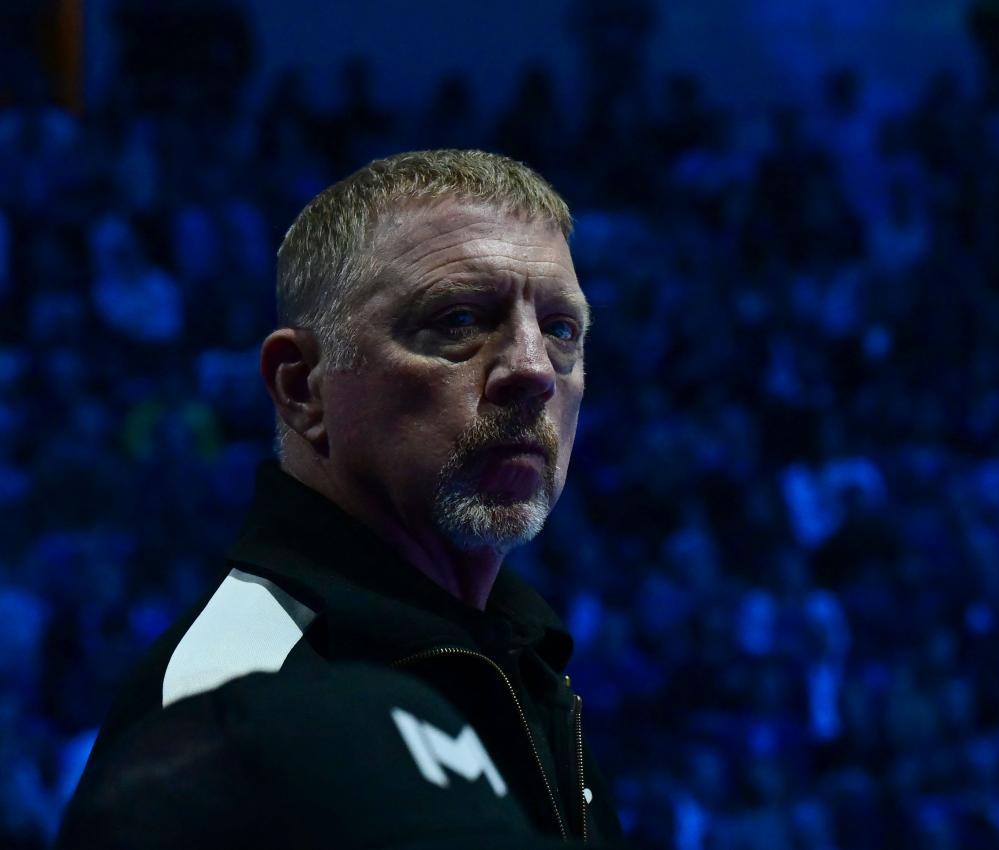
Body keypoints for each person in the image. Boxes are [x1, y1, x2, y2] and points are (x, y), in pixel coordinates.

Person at [58, 150, 623, 847]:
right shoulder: (227, 702)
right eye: (458, 319)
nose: (534, 368)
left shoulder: (527, 656)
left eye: (561, 329)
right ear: (301, 387)